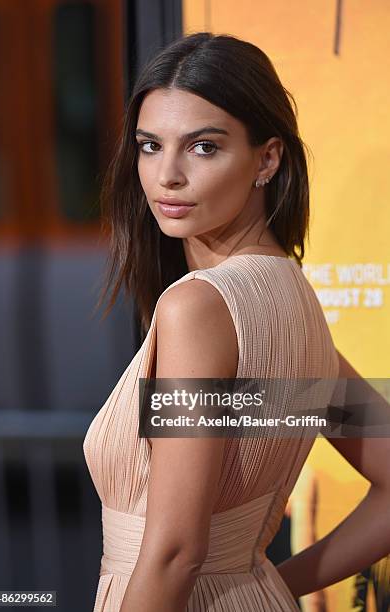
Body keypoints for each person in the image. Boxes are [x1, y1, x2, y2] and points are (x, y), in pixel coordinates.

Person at [82, 32, 390, 611]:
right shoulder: (294, 302)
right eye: (150, 146)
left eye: (203, 147)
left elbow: (174, 553)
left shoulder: (198, 309)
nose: (167, 175)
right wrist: (269, 584)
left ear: (267, 158)